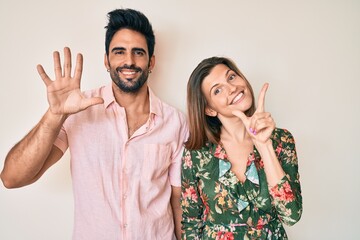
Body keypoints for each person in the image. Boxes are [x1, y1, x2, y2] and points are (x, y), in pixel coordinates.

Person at [0, 8, 188, 240]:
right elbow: (12, 178)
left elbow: (178, 201)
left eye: (138, 53)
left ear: (151, 62)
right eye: (119, 52)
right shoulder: (79, 111)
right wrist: (54, 114)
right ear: (106, 60)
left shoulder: (176, 122)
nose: (129, 61)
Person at [180, 57, 302, 239]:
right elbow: (191, 222)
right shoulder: (196, 153)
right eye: (218, 90)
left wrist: (264, 145)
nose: (232, 88)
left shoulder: (281, 140)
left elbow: (291, 215)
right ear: (209, 109)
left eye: (231, 77)